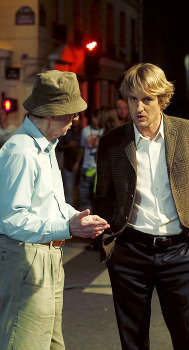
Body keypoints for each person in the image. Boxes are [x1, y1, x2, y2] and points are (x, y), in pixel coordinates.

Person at [94, 63, 189, 350]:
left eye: (147, 99)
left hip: (181, 252)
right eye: (132, 99)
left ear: (162, 99)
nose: (139, 107)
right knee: (134, 342)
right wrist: (108, 243)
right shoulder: (113, 141)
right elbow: (103, 197)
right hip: (129, 254)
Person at [0, 70, 109, 350]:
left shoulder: (44, 147)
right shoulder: (21, 152)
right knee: (23, 343)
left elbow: (46, 204)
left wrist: (74, 217)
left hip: (43, 256)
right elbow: (11, 219)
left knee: (49, 344)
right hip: (28, 258)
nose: (76, 120)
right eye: (71, 113)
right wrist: (68, 227)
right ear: (50, 114)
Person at [74, 109, 104, 211]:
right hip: (87, 165)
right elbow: (82, 148)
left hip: (99, 168)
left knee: (97, 195)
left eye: (96, 117)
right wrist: (78, 163)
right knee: (83, 194)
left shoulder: (104, 130)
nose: (94, 120)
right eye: (92, 118)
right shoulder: (86, 130)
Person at [57, 115, 82, 205]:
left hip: (82, 165)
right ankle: (71, 215)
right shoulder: (66, 131)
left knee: (82, 192)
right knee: (69, 192)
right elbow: (59, 146)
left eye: (76, 119)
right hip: (68, 164)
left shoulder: (83, 132)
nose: (74, 121)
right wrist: (69, 145)